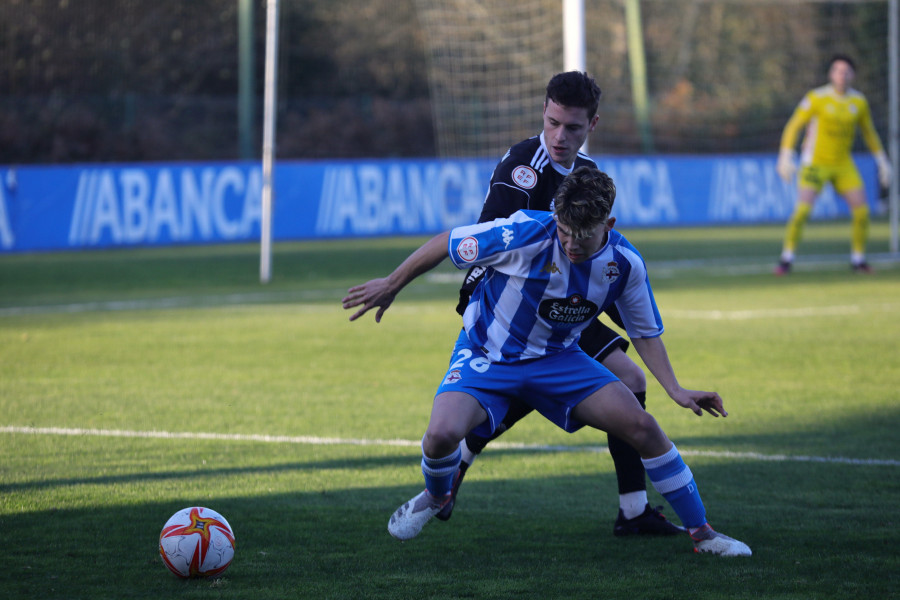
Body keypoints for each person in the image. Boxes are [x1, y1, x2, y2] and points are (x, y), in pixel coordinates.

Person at [342, 166, 752, 556]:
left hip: (559, 361)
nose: (571, 244)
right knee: (439, 436)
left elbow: (643, 331)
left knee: (643, 427)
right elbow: (447, 242)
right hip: (486, 354)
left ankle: (704, 534)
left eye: (583, 236)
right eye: (565, 231)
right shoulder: (523, 232)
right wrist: (392, 284)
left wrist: (676, 389)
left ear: (608, 227)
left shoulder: (624, 265)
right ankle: (436, 494)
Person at [437, 71, 681, 537]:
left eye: (571, 128)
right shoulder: (521, 168)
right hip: (502, 296)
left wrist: (614, 296)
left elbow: (596, 261)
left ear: (592, 125)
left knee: (624, 378)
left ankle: (632, 511)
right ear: (543, 114)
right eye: (552, 123)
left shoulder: (589, 177)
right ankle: (462, 458)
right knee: (559, 372)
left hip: (558, 299)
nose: (559, 137)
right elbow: (491, 248)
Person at [775, 53, 892, 275]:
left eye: (846, 71)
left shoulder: (858, 102)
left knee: (862, 212)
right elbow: (794, 125)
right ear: (831, 74)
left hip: (843, 164)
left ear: (853, 75)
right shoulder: (816, 98)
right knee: (802, 211)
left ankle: (858, 260)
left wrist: (882, 160)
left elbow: (869, 133)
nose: (842, 75)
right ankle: (786, 259)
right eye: (838, 71)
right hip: (815, 163)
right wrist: (785, 155)